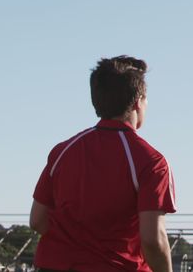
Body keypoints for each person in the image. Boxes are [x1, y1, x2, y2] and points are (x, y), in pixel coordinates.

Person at [30, 56, 176, 272]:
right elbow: (153, 240)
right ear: (138, 102)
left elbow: (37, 221)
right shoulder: (151, 161)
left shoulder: (63, 151)